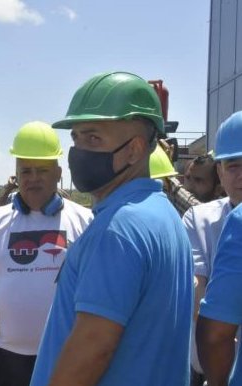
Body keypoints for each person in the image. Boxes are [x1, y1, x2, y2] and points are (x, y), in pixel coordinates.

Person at [30, 72, 193, 386]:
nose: (79, 151)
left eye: (93, 138)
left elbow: (93, 348)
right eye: (76, 138)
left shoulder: (119, 228)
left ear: (134, 150)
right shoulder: (163, 214)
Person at [0, 121, 92, 386]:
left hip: (65, 354)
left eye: (41, 170)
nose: (32, 178)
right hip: (9, 358)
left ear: (58, 172)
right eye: (25, 171)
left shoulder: (85, 221)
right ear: (16, 174)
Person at [193, 111, 242, 386]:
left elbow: (214, 335)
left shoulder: (239, 222)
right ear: (219, 171)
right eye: (234, 166)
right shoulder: (199, 219)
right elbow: (196, 282)